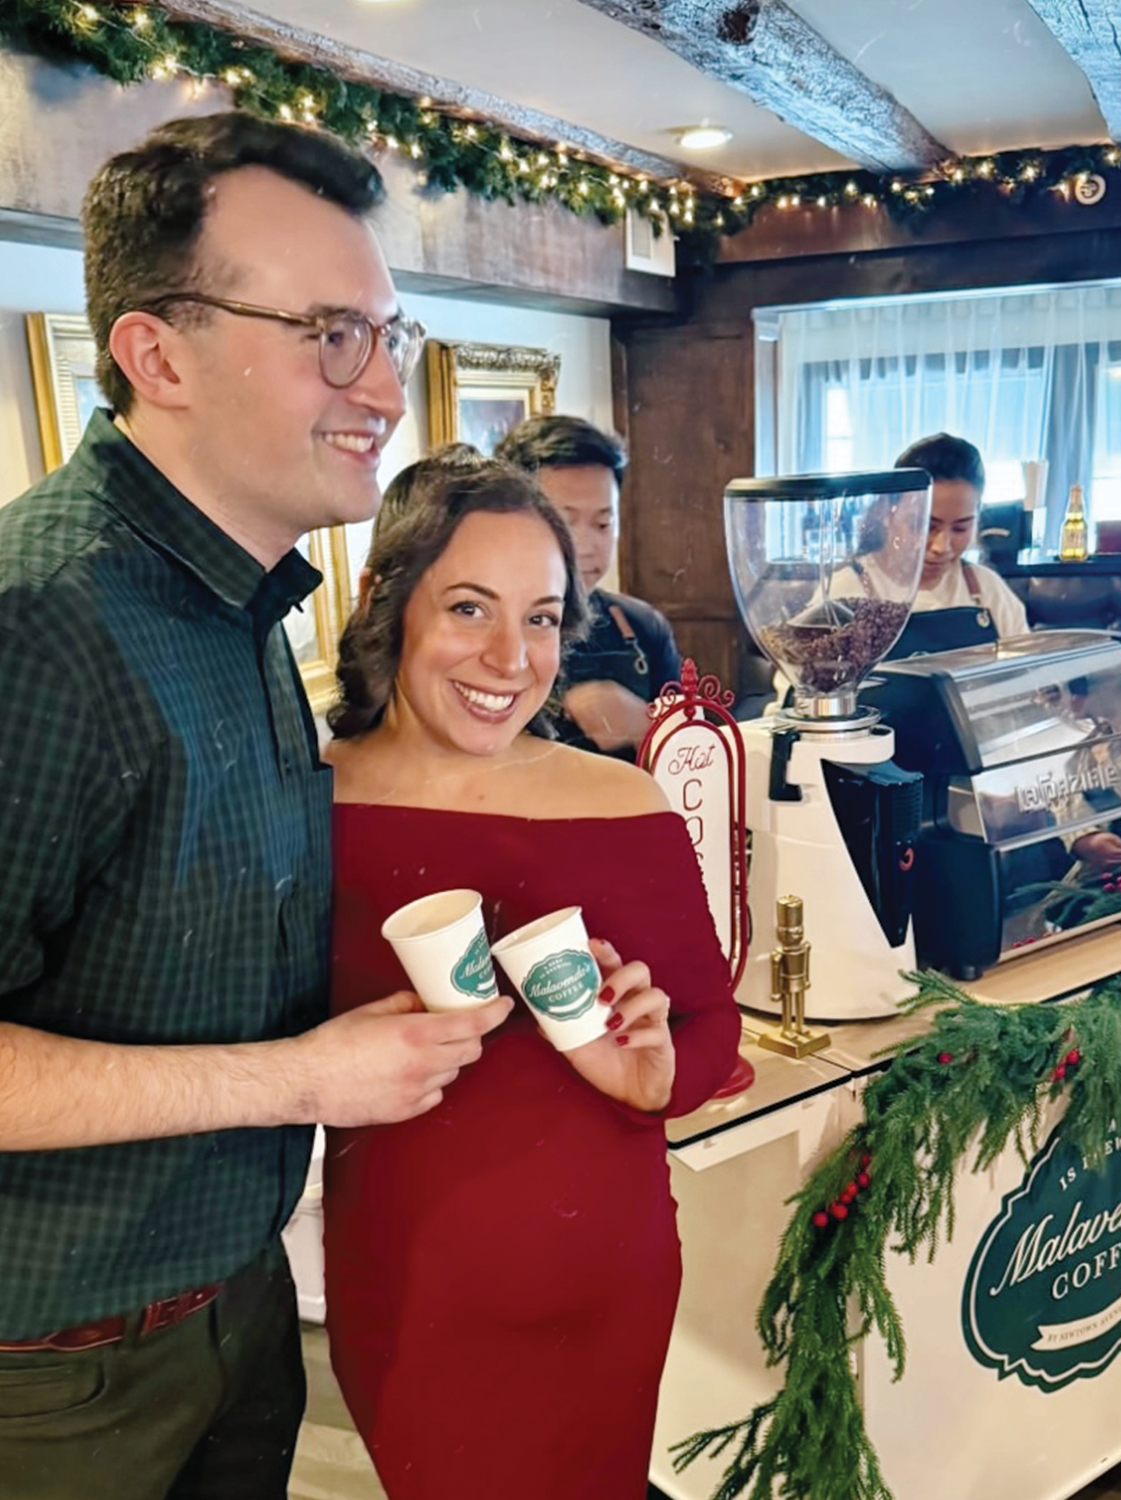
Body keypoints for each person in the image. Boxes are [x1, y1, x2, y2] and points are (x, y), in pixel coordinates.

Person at [0, 113, 510, 1500]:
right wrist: (301, 1077)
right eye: (329, 334)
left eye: (388, 336)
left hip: (236, 1307)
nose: (386, 390)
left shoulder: (245, 600)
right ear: (155, 356)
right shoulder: (42, 621)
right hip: (55, 1375)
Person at [321, 456, 742, 1500]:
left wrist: (655, 1074)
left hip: (604, 1267)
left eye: (544, 619)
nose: (512, 658)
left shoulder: (622, 803)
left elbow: (711, 1030)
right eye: (470, 607)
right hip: (409, 1278)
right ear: (385, 600)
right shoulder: (303, 800)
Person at [496, 414, 682, 758]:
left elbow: (698, 761)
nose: (585, 545)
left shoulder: (642, 627)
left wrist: (644, 725)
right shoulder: (487, 635)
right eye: (565, 522)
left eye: (602, 523)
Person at [882, 432, 1029, 657]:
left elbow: (1026, 677)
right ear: (889, 513)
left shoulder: (986, 588)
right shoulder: (846, 593)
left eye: (960, 528)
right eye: (924, 526)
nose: (942, 547)